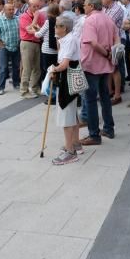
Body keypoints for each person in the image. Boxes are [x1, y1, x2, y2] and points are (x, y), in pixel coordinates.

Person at [80, 0, 118, 145]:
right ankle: (109, 128)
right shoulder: (108, 18)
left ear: (91, 6)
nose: (84, 7)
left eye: (85, 4)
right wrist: (111, 54)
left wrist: (107, 53)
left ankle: (94, 134)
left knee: (90, 100)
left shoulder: (90, 20)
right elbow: (117, 38)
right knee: (104, 97)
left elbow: (93, 43)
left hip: (92, 64)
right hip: (105, 64)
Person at [49, 14, 84, 165]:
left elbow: (64, 64)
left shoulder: (69, 40)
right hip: (71, 77)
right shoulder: (66, 39)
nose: (54, 28)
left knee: (65, 115)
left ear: (65, 28)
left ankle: (70, 151)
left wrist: (53, 71)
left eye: (57, 25)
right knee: (72, 113)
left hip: (67, 79)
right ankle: (75, 143)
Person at [0, 1, 21, 95]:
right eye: (9, 9)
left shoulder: (18, 19)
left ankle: (16, 83)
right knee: (4, 68)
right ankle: (1, 87)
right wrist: (0, 44)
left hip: (16, 46)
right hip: (4, 47)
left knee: (16, 66)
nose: (11, 11)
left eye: (13, 9)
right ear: (4, 10)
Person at [19, 0, 43, 98]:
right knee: (27, 68)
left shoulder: (40, 16)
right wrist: (36, 18)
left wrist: (37, 24)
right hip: (27, 43)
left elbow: (41, 30)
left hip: (37, 42)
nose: (36, 8)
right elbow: (29, 29)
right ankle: (24, 91)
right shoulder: (24, 16)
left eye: (38, 6)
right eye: (34, 6)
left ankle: (34, 88)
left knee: (37, 68)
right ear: (29, 6)